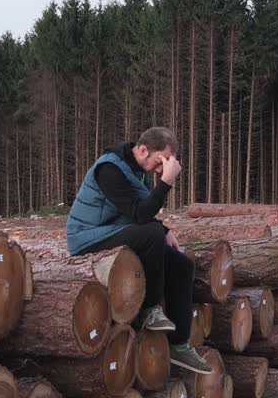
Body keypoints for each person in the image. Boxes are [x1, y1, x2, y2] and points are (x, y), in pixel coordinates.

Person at [65, 126, 210, 375]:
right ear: (143, 149)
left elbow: (141, 212)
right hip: (86, 237)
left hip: (111, 229)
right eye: (158, 162)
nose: (159, 170)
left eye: (164, 165)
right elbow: (138, 213)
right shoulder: (109, 169)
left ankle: (179, 344)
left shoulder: (136, 170)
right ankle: (149, 311)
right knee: (151, 235)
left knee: (182, 264)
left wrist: (164, 229)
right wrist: (166, 183)